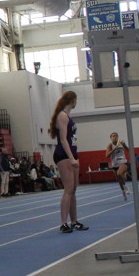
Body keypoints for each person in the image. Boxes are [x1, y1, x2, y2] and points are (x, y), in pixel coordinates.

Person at [50, 90, 87, 233]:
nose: (76, 103)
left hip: (72, 153)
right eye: (76, 100)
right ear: (72, 100)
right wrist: (71, 158)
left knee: (74, 190)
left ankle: (74, 221)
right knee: (68, 189)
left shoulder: (68, 116)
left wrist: (74, 156)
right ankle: (63, 223)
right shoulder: (62, 116)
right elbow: (63, 139)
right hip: (64, 154)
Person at [106, 132, 131, 201]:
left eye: (116, 136)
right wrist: (114, 149)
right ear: (111, 138)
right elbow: (107, 155)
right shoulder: (110, 145)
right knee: (119, 180)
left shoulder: (121, 143)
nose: (115, 137)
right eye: (113, 136)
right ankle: (123, 191)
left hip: (123, 162)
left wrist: (125, 146)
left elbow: (130, 151)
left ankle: (126, 187)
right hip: (115, 164)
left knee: (119, 173)